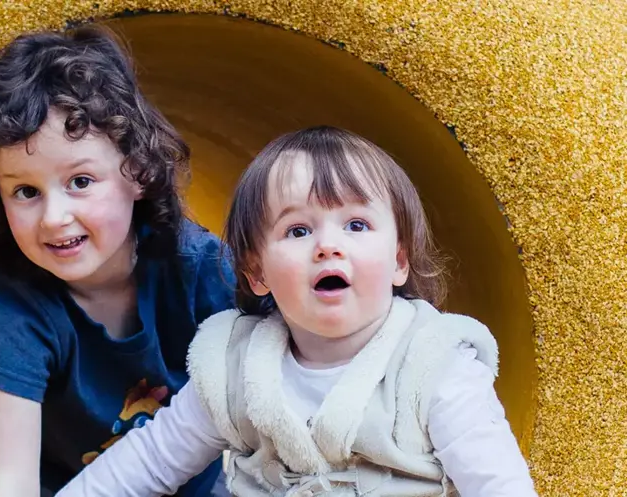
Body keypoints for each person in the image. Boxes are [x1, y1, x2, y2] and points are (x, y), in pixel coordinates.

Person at [56, 126, 539, 496]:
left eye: (356, 223)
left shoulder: (434, 367)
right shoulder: (235, 367)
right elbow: (151, 459)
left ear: (398, 259)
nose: (329, 245)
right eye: (298, 231)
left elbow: (498, 484)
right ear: (256, 271)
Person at [0, 24, 234, 496]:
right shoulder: (24, 308)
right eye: (26, 191)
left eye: (80, 181)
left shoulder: (196, 266)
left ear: (137, 172)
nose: (55, 218)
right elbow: (8, 482)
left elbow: (296, 366)